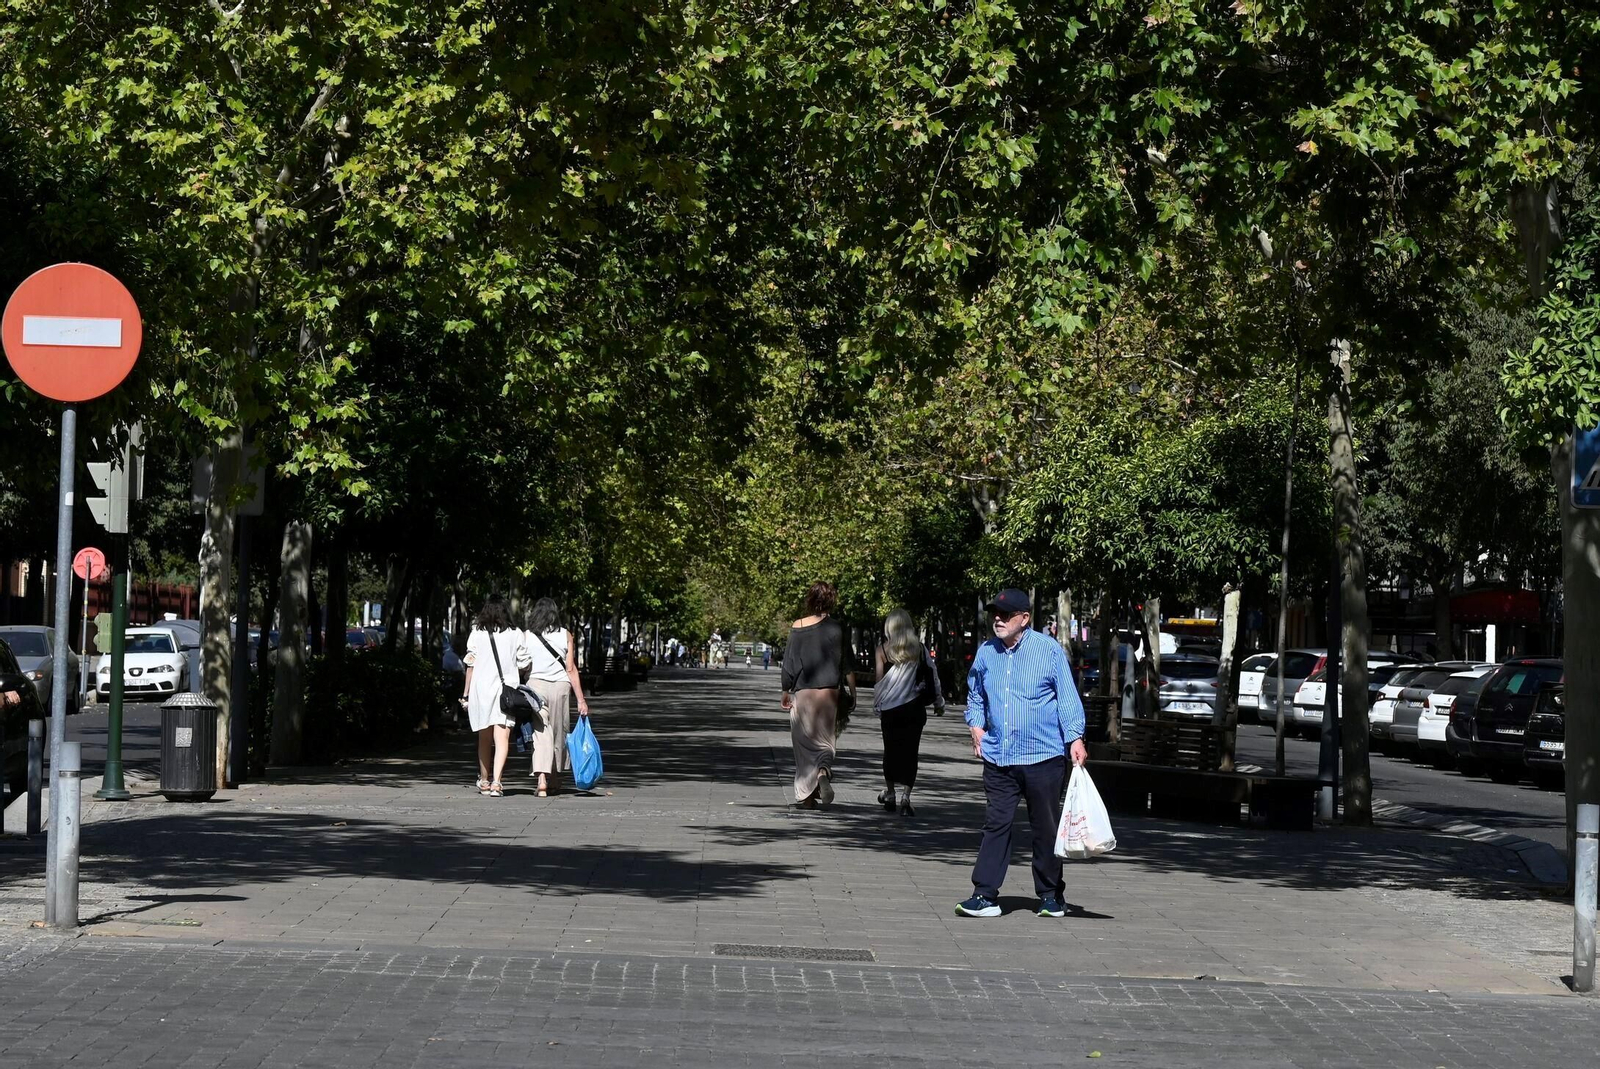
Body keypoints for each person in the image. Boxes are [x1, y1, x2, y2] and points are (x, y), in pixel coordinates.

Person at [956, 588, 1086, 920]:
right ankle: (984, 895)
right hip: (999, 757)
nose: (997, 620)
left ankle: (1050, 895)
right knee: (995, 824)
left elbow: (1068, 698)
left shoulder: (1048, 651)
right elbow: (975, 695)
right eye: (994, 615)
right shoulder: (986, 654)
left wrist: (1075, 738)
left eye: (1005, 614)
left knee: (1045, 828)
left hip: (1043, 758)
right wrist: (975, 726)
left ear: (1024, 618)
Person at [780, 581, 855, 808]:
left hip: (804, 693)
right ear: (832, 600)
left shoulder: (798, 626)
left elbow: (789, 663)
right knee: (825, 742)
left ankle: (807, 796)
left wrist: (785, 690)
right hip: (830, 694)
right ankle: (823, 771)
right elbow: (847, 665)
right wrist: (853, 692)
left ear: (810, 600)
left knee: (803, 745)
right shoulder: (837, 628)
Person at [872, 609, 945, 817]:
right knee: (911, 753)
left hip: (890, 711)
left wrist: (877, 706)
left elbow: (879, 684)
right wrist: (939, 702)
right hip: (914, 709)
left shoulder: (882, 651)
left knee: (890, 752)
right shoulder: (919, 649)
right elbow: (933, 676)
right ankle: (906, 797)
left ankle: (891, 794)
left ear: (889, 627)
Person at [460, 595, 531, 798]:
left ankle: (483, 780)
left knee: (484, 737)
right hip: (505, 692)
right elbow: (524, 662)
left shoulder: (476, 633)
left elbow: (470, 666)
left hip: (481, 691)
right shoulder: (515, 633)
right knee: (502, 737)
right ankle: (497, 783)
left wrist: (465, 695)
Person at [524, 597, 591, 796]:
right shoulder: (566, 635)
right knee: (559, 733)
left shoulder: (527, 636)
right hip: (561, 687)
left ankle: (542, 779)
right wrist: (581, 699)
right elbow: (570, 669)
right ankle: (553, 778)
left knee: (540, 732)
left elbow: (523, 664)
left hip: (535, 686)